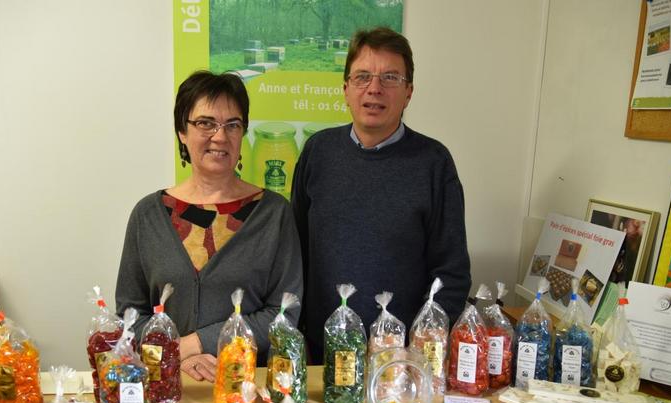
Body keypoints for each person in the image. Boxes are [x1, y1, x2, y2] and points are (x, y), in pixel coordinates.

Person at [291, 27, 471, 364]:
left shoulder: (434, 163)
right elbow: (295, 252)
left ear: (409, 92)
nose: (374, 88)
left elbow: (452, 272)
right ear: (345, 89)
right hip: (320, 354)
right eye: (362, 76)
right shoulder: (318, 152)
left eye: (390, 77)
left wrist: (422, 347)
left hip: (400, 358)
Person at [116, 70, 302, 381]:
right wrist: (176, 357)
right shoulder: (147, 215)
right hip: (166, 386)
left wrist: (196, 343)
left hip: (247, 390)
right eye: (205, 123)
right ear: (182, 132)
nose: (220, 136)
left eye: (233, 125)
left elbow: (283, 315)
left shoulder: (274, 214)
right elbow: (130, 317)